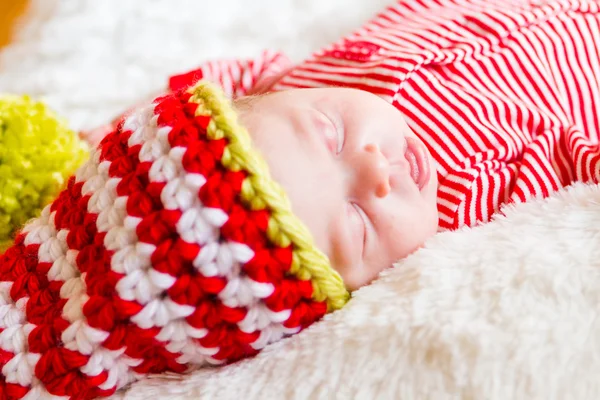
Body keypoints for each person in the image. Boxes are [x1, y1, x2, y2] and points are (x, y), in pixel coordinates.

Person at [1, 0, 599, 398]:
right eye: (359, 221)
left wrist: (94, 142)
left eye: (332, 134)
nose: (375, 170)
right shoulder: (463, 213)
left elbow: (216, 84)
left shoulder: (296, 86)